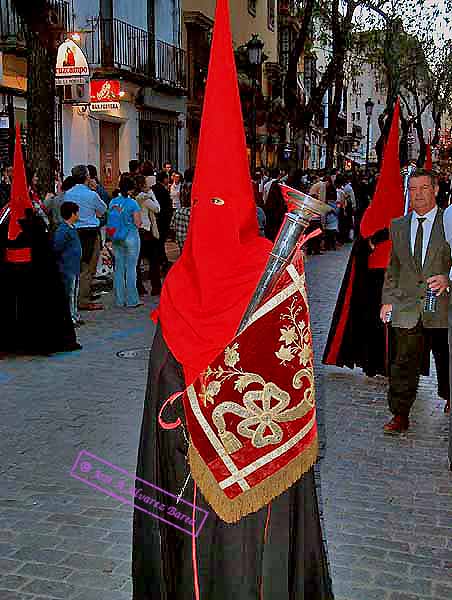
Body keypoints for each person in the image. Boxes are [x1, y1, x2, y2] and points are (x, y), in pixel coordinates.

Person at [132, 1, 334, 598]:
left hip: (183, 472)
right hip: (256, 486)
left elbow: (161, 389)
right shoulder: (272, 273)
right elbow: (290, 378)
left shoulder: (181, 282)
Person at [380, 169, 451, 434]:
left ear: (435, 190)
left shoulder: (449, 221)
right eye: (413, 189)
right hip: (407, 305)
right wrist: (387, 300)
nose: (418, 195)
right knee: (403, 361)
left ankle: (448, 393)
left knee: (446, 356)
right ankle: (400, 413)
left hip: (442, 304)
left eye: (423, 188)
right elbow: (393, 267)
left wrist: (448, 278)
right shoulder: (398, 225)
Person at [0, 127, 81, 355]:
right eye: (33, 177)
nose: (36, 180)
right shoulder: (24, 215)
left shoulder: (11, 214)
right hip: (30, 270)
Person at [65, 165, 107, 311]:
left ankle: (78, 296)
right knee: (89, 267)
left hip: (74, 231)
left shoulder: (68, 194)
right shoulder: (91, 194)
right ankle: (83, 299)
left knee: (78, 266)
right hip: (89, 232)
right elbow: (103, 209)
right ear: (86, 177)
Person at [109, 176, 142, 307]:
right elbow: (138, 223)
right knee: (131, 268)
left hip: (116, 237)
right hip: (130, 236)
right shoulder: (132, 203)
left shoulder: (113, 202)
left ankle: (119, 299)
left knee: (119, 268)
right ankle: (132, 300)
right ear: (130, 189)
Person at [53, 201, 83, 327]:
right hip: (67, 266)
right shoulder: (63, 230)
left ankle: (74, 314)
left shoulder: (71, 228)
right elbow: (57, 246)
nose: (78, 215)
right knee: (69, 293)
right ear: (72, 214)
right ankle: (70, 317)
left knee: (74, 292)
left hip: (74, 266)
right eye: (77, 212)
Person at [134, 174, 162, 297]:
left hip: (137, 230)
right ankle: (156, 287)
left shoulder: (133, 197)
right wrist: (152, 194)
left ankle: (139, 287)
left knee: (137, 262)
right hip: (147, 231)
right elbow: (157, 208)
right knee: (154, 261)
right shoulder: (145, 197)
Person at [153, 171, 173, 272]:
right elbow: (167, 206)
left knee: (158, 241)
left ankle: (161, 259)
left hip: (156, 218)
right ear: (164, 179)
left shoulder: (153, 188)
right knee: (161, 241)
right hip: (163, 219)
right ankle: (162, 260)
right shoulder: (163, 190)